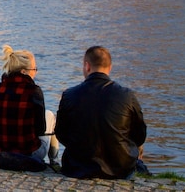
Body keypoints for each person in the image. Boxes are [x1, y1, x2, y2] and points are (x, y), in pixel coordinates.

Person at [55, 46, 148, 179]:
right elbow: (140, 135)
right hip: (120, 168)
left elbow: (61, 133)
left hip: (77, 166)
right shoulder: (127, 95)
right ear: (110, 68)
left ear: (87, 66)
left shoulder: (69, 95)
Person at [0, 45, 59, 165]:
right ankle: (54, 162)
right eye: (34, 69)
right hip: (29, 154)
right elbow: (40, 130)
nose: (35, 73)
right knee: (50, 115)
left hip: (1, 153)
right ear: (24, 72)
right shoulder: (34, 91)